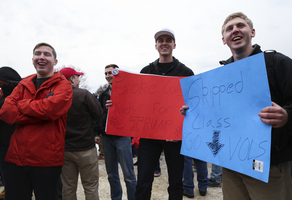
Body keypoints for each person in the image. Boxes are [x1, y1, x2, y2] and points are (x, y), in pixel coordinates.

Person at [181, 12, 292, 200]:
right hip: (232, 163)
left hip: (269, 165)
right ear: (224, 39)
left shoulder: (276, 63)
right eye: (229, 28)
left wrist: (288, 116)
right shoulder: (220, 76)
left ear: (252, 32)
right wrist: (193, 112)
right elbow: (213, 114)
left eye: (240, 26)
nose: (235, 30)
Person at [0, 42, 73, 200]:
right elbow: (5, 112)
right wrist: (39, 115)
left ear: (55, 61)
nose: (42, 57)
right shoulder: (23, 84)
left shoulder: (64, 86)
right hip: (16, 158)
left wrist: (21, 105)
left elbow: (49, 110)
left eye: (47, 54)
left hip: (46, 161)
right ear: (32, 59)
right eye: (38, 53)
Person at [135, 28, 194, 200]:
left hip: (174, 137)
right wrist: (116, 104)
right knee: (144, 180)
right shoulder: (146, 70)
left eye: (168, 40)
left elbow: (194, 104)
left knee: (176, 181)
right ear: (156, 46)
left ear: (174, 45)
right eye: (161, 40)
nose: (164, 43)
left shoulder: (186, 72)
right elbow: (138, 101)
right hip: (149, 134)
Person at [59, 67, 102, 200]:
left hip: (65, 149)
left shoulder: (56, 96)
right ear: (72, 79)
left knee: (68, 187)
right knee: (90, 186)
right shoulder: (83, 94)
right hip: (85, 149)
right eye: (77, 77)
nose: (79, 79)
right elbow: (98, 114)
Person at [98, 64, 137, 200]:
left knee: (129, 174)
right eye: (106, 73)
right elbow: (99, 115)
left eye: (111, 73)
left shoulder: (128, 92)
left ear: (117, 73)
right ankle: (116, 198)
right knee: (111, 174)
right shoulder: (103, 95)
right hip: (107, 138)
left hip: (122, 136)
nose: (108, 76)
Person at [0, 67, 22, 199]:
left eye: (0, 81)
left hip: (10, 142)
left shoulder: (17, 96)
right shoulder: (3, 97)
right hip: (2, 142)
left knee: (12, 176)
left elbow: (11, 117)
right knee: (6, 175)